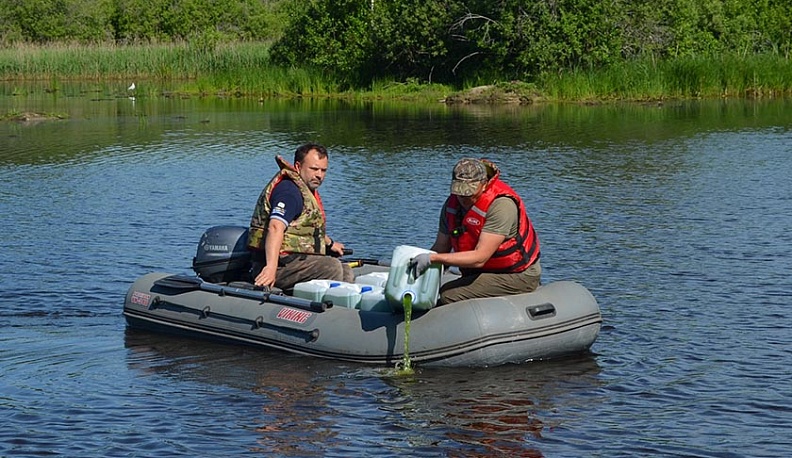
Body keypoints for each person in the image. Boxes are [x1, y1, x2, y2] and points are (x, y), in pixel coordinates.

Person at [409, 158, 541, 305]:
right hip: (479, 272)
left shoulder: (502, 206)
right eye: (460, 192)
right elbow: (441, 247)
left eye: (469, 193)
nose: (464, 198)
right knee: (428, 289)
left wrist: (432, 259)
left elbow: (480, 258)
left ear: (484, 184)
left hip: (516, 274)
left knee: (449, 294)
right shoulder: (451, 205)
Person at [247, 143, 353, 291]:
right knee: (331, 267)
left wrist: (330, 244)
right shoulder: (289, 192)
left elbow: (304, 229)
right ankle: (311, 307)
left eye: (323, 170)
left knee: (345, 270)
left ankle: (342, 308)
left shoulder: (304, 190)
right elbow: (275, 227)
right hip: (277, 266)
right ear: (298, 166)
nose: (319, 175)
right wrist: (270, 268)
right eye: (314, 169)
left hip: (295, 261)